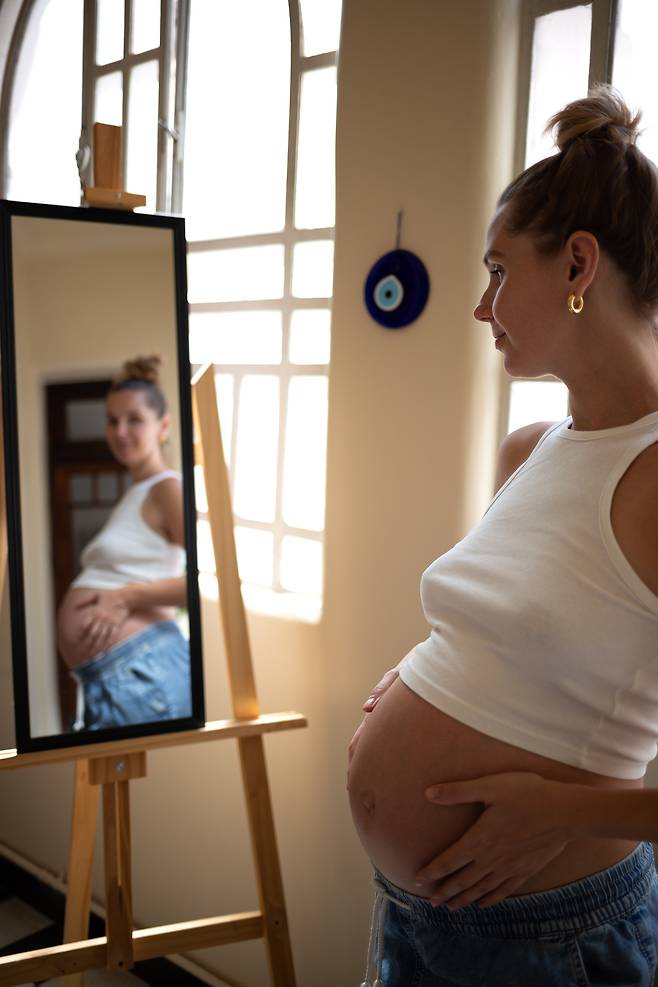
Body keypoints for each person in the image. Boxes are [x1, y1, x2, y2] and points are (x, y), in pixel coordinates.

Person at [348, 85, 658, 986]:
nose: (482, 308)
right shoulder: (531, 449)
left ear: (576, 267)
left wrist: (556, 809)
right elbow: (527, 632)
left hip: (549, 936)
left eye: (496, 270)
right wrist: (419, 671)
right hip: (419, 915)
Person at [56, 355, 192, 731]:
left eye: (134, 419)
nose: (120, 431)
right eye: (112, 420)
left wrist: (124, 597)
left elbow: (200, 584)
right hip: (116, 674)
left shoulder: (168, 487)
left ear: (163, 426)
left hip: (142, 669)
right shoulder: (137, 493)